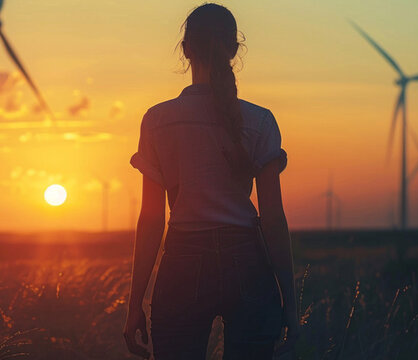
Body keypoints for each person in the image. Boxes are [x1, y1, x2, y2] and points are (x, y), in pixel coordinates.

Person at [123, 3, 299, 359]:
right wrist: (290, 304)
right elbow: (273, 219)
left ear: (186, 49)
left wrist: (134, 304)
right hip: (247, 259)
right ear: (234, 50)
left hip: (182, 258)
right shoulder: (260, 122)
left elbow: (152, 219)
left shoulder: (157, 121)